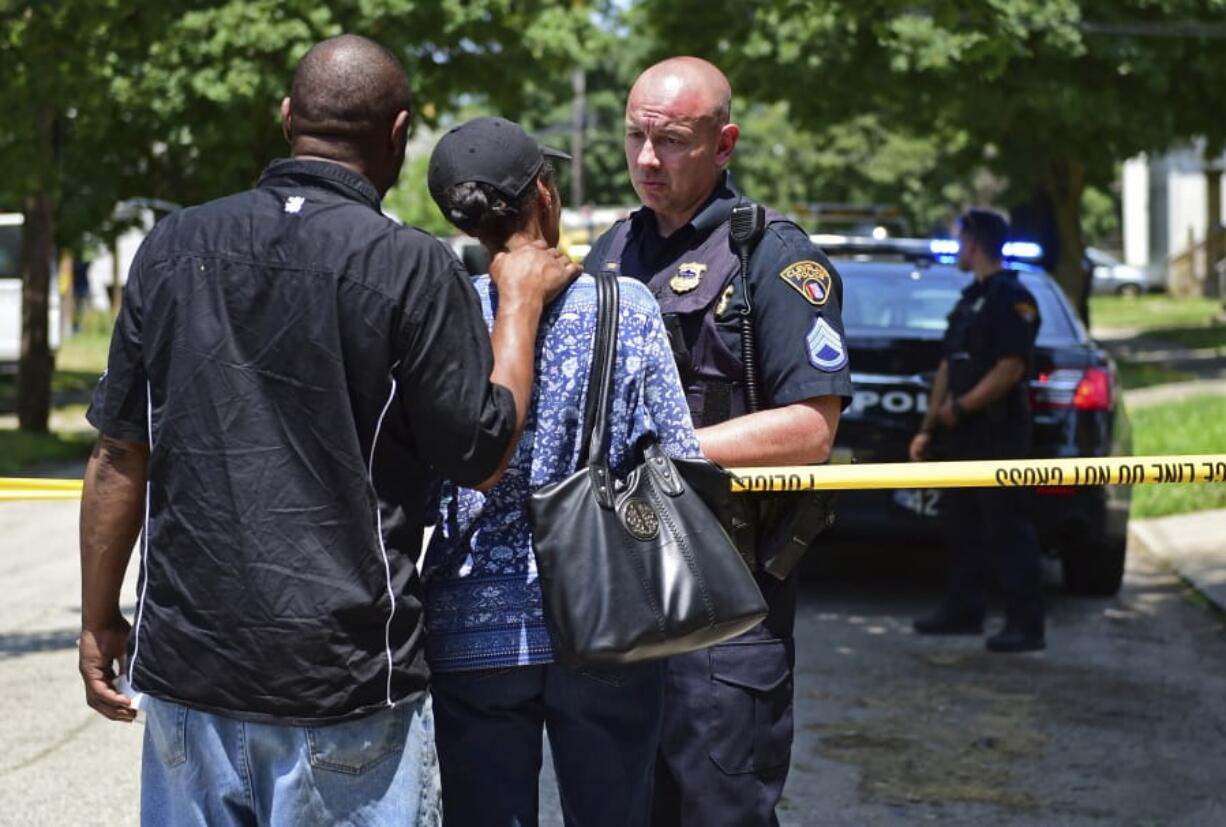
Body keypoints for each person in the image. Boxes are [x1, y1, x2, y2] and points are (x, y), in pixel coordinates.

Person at [78, 36, 577, 826]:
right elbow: (482, 453)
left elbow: (117, 454)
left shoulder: (171, 248)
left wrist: (98, 616)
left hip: (188, 676)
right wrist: (518, 302)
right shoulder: (412, 267)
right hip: (343, 682)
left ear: (286, 118)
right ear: (399, 133)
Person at [584, 57, 852, 827]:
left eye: (669, 141)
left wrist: (666, 446)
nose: (645, 159)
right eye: (635, 135)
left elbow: (811, 428)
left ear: (723, 144)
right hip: (620, 595)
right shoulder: (611, 254)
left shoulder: (776, 258)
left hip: (727, 603)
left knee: (716, 808)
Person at [421, 116, 700, 827]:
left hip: (468, 622)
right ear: (544, 193)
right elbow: (680, 457)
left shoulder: (439, 313)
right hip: (605, 615)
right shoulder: (624, 304)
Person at [909, 208, 1046, 653]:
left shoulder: (1013, 298)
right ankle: (963, 611)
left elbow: (1010, 368)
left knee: (1007, 526)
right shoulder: (969, 300)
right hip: (961, 433)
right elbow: (949, 365)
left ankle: (1026, 624)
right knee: (961, 523)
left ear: (975, 241)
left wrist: (962, 408)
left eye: (960, 239)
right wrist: (929, 428)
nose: (956, 248)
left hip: (998, 432)